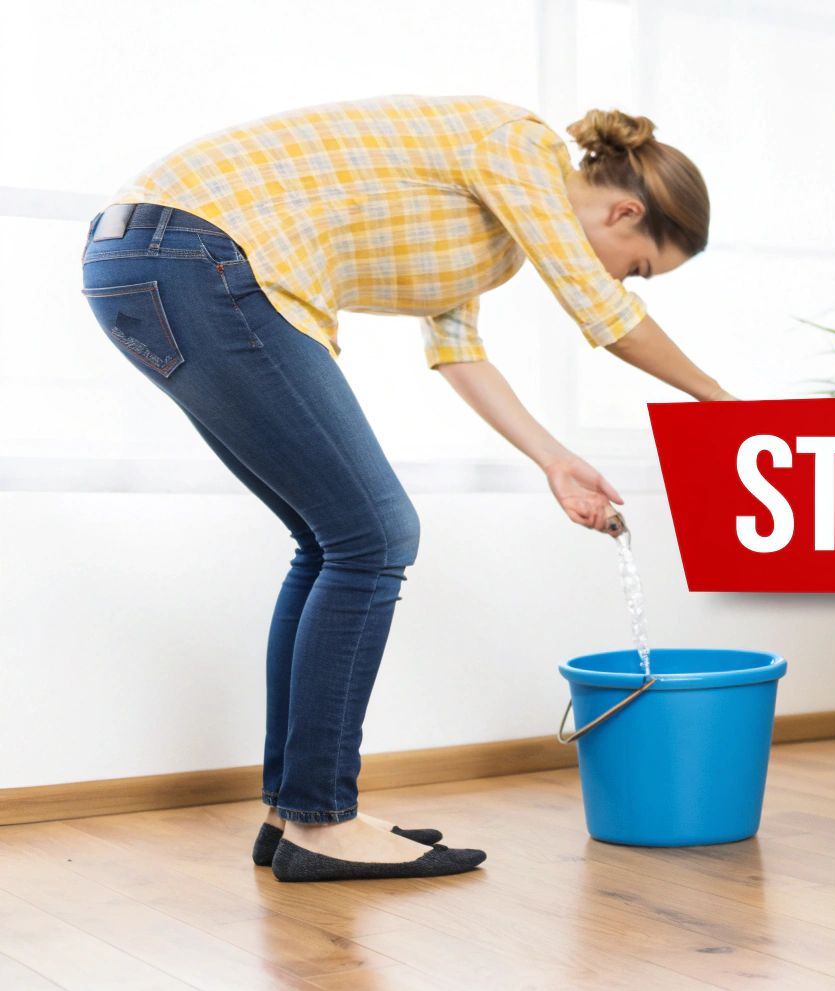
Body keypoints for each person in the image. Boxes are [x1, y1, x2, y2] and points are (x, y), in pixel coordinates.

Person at [77, 94, 732, 882]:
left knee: (332, 540)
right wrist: (729, 410)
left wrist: (553, 459)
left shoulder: (491, 237)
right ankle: (325, 822)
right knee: (375, 537)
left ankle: (297, 811)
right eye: (638, 266)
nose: (624, 278)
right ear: (626, 212)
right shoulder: (521, 148)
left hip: (149, 261)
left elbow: (457, 351)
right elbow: (600, 311)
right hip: (196, 253)